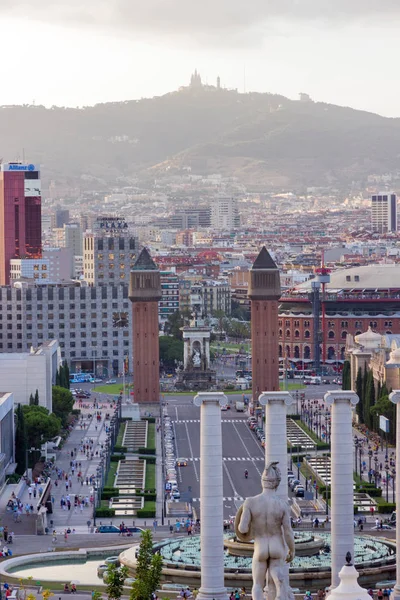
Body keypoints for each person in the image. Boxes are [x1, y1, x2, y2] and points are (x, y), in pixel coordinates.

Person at [236, 462, 295, 600]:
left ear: (262, 481)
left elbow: (242, 528)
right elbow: (288, 532)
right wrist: (292, 550)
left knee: (257, 584)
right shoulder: (282, 505)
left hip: (260, 546)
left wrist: (250, 528)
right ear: (277, 483)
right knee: (277, 572)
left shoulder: (250, 502)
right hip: (277, 545)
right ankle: (280, 591)